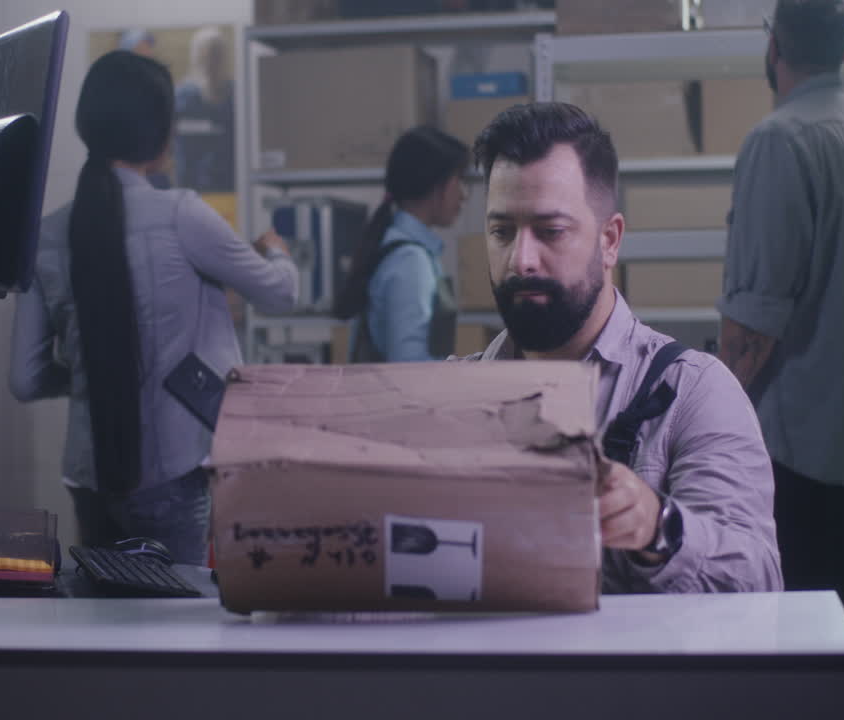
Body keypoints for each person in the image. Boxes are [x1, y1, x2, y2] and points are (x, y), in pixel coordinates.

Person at [459, 101, 782, 593]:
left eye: (550, 232)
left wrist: (660, 529)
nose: (520, 260)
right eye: (502, 232)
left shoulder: (693, 393)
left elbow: (756, 582)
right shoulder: (451, 398)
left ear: (610, 241)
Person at [8, 51, 298, 564]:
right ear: (162, 133)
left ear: (87, 125)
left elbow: (26, 379)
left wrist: (86, 370)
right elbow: (279, 293)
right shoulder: (182, 215)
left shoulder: (47, 234)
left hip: (88, 474)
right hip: (171, 472)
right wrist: (276, 249)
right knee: (176, 629)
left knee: (106, 626)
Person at [717, 1, 844, 715]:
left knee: (785, 648)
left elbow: (754, 324)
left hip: (794, 448)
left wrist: (708, 417)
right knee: (841, 636)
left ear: (773, 48)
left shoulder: (780, 140)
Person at [334, 126, 470, 362]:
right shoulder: (409, 261)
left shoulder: (406, 249)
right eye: (459, 180)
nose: (464, 193)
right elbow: (409, 366)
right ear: (437, 185)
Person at [174, 27, 235, 193]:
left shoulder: (235, 96)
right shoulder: (181, 96)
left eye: (215, 54)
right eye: (206, 53)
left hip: (230, 187)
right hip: (191, 186)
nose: (209, 60)